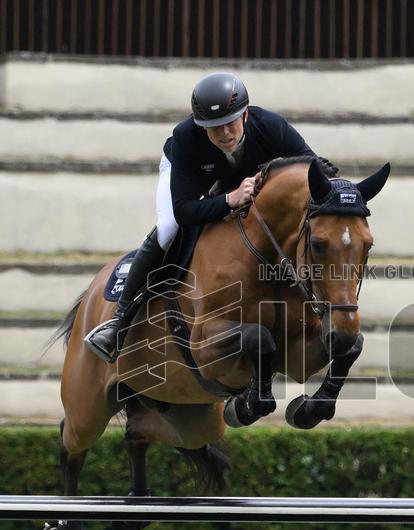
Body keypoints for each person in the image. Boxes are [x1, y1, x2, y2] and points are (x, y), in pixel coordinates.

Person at [85, 72, 315, 362]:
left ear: (245, 115)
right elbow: (184, 210)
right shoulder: (186, 139)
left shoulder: (271, 126)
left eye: (230, 122)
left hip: (239, 178)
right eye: (214, 127)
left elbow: (312, 165)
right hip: (190, 176)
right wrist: (230, 200)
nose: (224, 133)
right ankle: (119, 323)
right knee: (168, 229)